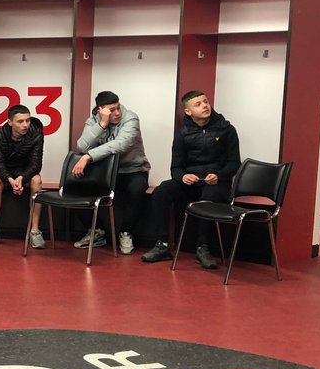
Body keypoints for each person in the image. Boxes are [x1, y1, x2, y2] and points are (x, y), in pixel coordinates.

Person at [142, 91, 241, 269]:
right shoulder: (183, 133)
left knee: (207, 198)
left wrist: (219, 176)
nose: (205, 106)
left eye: (205, 102)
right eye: (198, 104)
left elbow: (234, 163)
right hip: (192, 181)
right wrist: (183, 176)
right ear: (188, 112)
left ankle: (202, 248)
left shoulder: (226, 129)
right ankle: (162, 244)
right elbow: (176, 168)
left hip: (217, 182)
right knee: (161, 192)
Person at [71, 91, 150, 254]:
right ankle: (97, 232)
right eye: (112, 110)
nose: (117, 113)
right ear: (101, 110)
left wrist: (89, 156)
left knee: (137, 190)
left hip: (132, 169)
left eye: (118, 107)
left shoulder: (130, 118)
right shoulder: (93, 121)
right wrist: (102, 124)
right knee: (74, 188)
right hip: (104, 171)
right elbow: (82, 146)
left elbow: (121, 144)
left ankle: (126, 232)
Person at [0, 104, 44, 248]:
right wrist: (9, 179)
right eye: (20, 121)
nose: (25, 125)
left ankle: (35, 231)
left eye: (27, 120)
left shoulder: (37, 133)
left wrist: (22, 178)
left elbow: (36, 164)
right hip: (6, 170)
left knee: (37, 180)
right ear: (10, 122)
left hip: (26, 170)